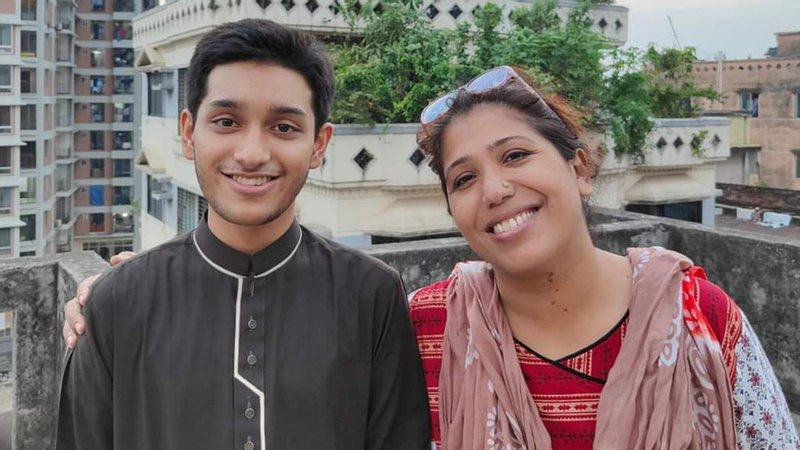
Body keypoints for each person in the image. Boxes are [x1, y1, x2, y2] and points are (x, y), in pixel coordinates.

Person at [64, 65, 799, 449]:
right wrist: (137, 292)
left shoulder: (700, 319)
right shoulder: (429, 326)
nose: (497, 190)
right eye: (464, 179)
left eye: (517, 156)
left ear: (579, 167)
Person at [56, 19, 429, 450]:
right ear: (189, 133)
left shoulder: (372, 295)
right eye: (226, 121)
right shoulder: (115, 303)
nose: (252, 154)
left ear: (319, 145)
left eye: (284, 127)